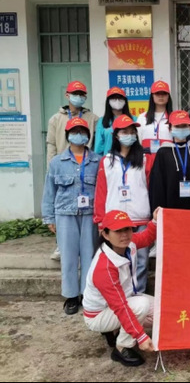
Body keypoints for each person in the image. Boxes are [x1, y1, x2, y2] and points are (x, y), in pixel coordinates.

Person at [83, 209, 158, 367]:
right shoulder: (104, 267)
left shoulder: (129, 244)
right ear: (105, 234)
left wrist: (155, 221)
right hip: (98, 314)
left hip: (123, 300)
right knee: (141, 306)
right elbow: (120, 306)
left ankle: (116, 330)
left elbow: (146, 237)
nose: (124, 235)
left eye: (127, 229)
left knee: (160, 312)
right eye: (118, 231)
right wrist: (141, 337)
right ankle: (122, 346)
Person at [42, 118, 101, 315]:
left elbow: (102, 190)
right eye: (75, 132)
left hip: (90, 215)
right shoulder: (57, 162)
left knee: (89, 256)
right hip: (65, 214)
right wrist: (49, 217)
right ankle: (71, 296)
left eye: (82, 131)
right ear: (68, 136)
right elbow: (49, 191)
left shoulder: (97, 161)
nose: (79, 135)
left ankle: (87, 293)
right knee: (68, 257)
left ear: (88, 135)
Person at [94, 115, 151, 293]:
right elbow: (101, 192)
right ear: (116, 135)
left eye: (132, 131)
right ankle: (121, 296)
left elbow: (150, 187)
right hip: (115, 221)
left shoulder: (144, 159)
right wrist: (100, 220)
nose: (129, 135)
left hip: (140, 217)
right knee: (116, 260)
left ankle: (139, 294)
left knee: (141, 261)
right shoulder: (106, 161)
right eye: (125, 132)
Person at [46, 80, 99, 261]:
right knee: (63, 209)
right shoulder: (56, 119)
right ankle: (60, 244)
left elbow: (97, 142)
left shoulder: (93, 118)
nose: (78, 97)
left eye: (82, 94)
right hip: (63, 166)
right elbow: (51, 144)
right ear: (67, 95)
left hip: (86, 166)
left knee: (88, 249)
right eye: (75, 93)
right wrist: (51, 165)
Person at [149, 110, 190, 211]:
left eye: (184, 126)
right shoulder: (163, 152)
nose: (181, 129)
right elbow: (157, 185)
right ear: (170, 128)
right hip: (170, 207)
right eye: (177, 126)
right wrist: (158, 210)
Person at [137, 80, 173, 179]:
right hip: (146, 162)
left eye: (164, 93)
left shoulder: (173, 117)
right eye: (157, 93)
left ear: (168, 96)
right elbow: (138, 142)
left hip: (168, 161)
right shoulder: (142, 117)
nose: (161, 96)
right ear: (152, 96)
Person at [94, 87, 134, 156]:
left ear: (125, 101)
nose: (117, 101)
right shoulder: (102, 121)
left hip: (131, 158)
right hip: (108, 159)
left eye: (120, 98)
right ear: (108, 101)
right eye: (113, 98)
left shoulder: (134, 120)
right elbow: (98, 147)